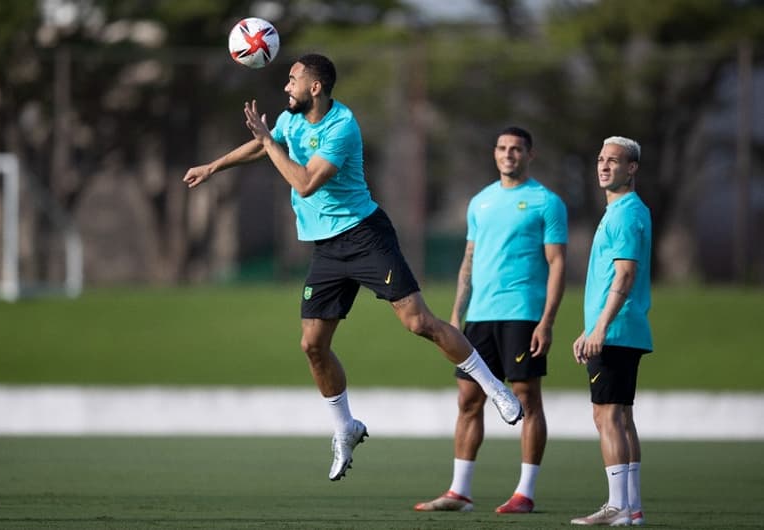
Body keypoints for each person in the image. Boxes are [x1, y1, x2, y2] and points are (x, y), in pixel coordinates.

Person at [182, 53, 523, 482]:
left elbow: (305, 183)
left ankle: (494, 388)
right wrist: (214, 166)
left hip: (365, 235)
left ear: (315, 87)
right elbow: (265, 142)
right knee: (312, 345)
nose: (286, 87)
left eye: (292, 80)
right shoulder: (290, 120)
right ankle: (345, 427)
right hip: (325, 248)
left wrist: (269, 142)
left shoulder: (341, 126)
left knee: (418, 322)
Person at [414, 126, 568, 514]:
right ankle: (459, 492)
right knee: (468, 399)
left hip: (522, 314)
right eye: (502, 148)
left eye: (516, 149)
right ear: (494, 153)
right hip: (479, 316)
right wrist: (454, 316)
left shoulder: (546, 202)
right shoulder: (479, 202)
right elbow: (469, 260)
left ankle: (525, 493)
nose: (508, 154)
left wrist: (547, 320)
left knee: (526, 398)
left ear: (529, 155)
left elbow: (557, 263)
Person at [570, 136, 652, 526]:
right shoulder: (623, 210)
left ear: (631, 168)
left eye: (614, 161)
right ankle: (632, 508)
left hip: (616, 330)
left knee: (606, 417)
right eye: (601, 159)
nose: (604, 166)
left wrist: (599, 327)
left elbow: (626, 273)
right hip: (619, 329)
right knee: (621, 417)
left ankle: (618, 506)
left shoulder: (625, 213)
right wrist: (590, 328)